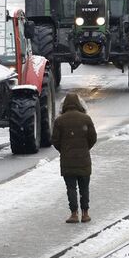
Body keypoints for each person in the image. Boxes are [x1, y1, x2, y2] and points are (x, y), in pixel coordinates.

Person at [51, 93, 98, 224]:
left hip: (67, 161)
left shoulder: (59, 121)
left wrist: (64, 150)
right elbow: (93, 138)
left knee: (71, 188)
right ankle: (85, 213)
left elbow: (54, 140)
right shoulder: (86, 119)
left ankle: (73, 213)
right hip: (84, 160)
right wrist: (85, 148)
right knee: (84, 188)